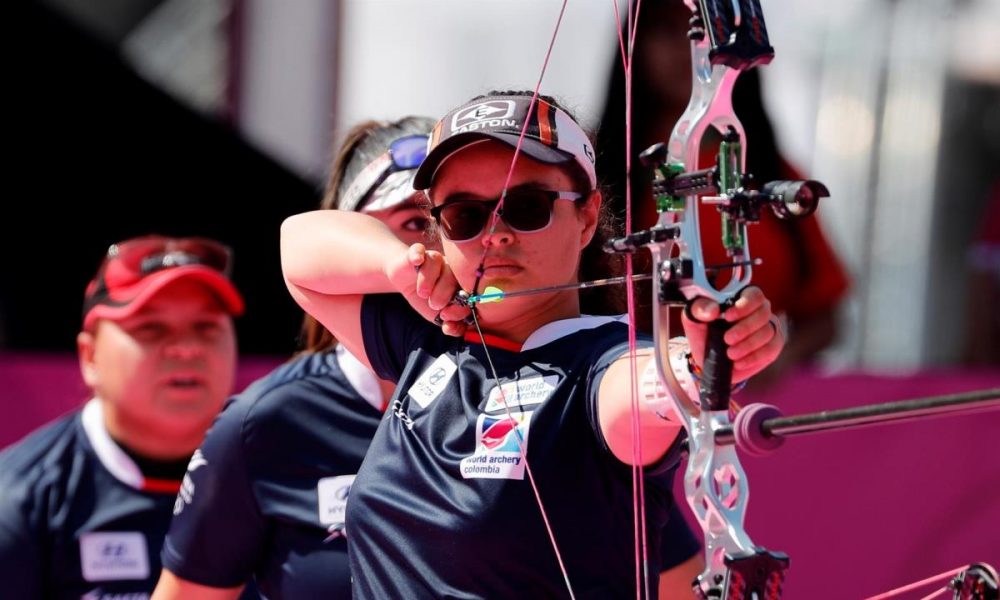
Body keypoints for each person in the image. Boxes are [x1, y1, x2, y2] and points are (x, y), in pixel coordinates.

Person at [281, 91, 784, 597]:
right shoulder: (429, 338)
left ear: (587, 216)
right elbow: (297, 245)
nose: (494, 234)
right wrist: (398, 265)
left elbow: (644, 390)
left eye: (526, 207)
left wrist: (701, 362)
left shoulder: (601, 364)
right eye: (465, 215)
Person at [152, 117, 438, 600]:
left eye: (456, 220)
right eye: (413, 223)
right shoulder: (267, 420)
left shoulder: (518, 387)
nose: (434, 250)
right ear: (344, 241)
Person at [596, 0, 850, 386]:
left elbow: (825, 315)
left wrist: (768, 356)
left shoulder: (772, 171)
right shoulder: (595, 173)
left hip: (754, 397)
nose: (688, 51)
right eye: (666, 31)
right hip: (634, 392)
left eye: (704, 35)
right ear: (634, 46)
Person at [0, 235, 245, 599]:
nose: (186, 348)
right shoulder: (20, 497)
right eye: (151, 328)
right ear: (90, 357)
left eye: (206, 327)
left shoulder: (283, 471)